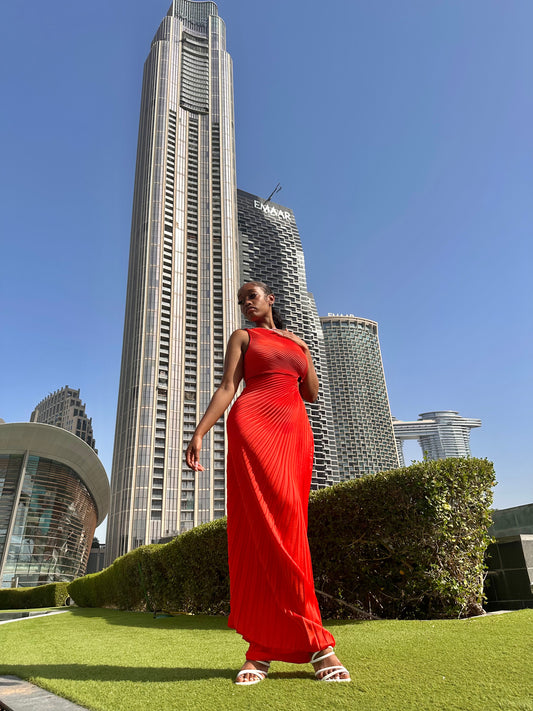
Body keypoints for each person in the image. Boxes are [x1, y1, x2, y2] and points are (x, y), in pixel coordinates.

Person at [186, 281, 350, 685]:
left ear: (270, 299)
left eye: (251, 297)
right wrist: (200, 433)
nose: (245, 304)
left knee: (291, 528)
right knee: (263, 529)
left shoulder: (296, 343)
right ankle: (298, 648)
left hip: (293, 431)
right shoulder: (243, 337)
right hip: (253, 424)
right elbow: (228, 387)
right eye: (241, 301)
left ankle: (273, 648)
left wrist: (306, 352)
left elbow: (310, 393)